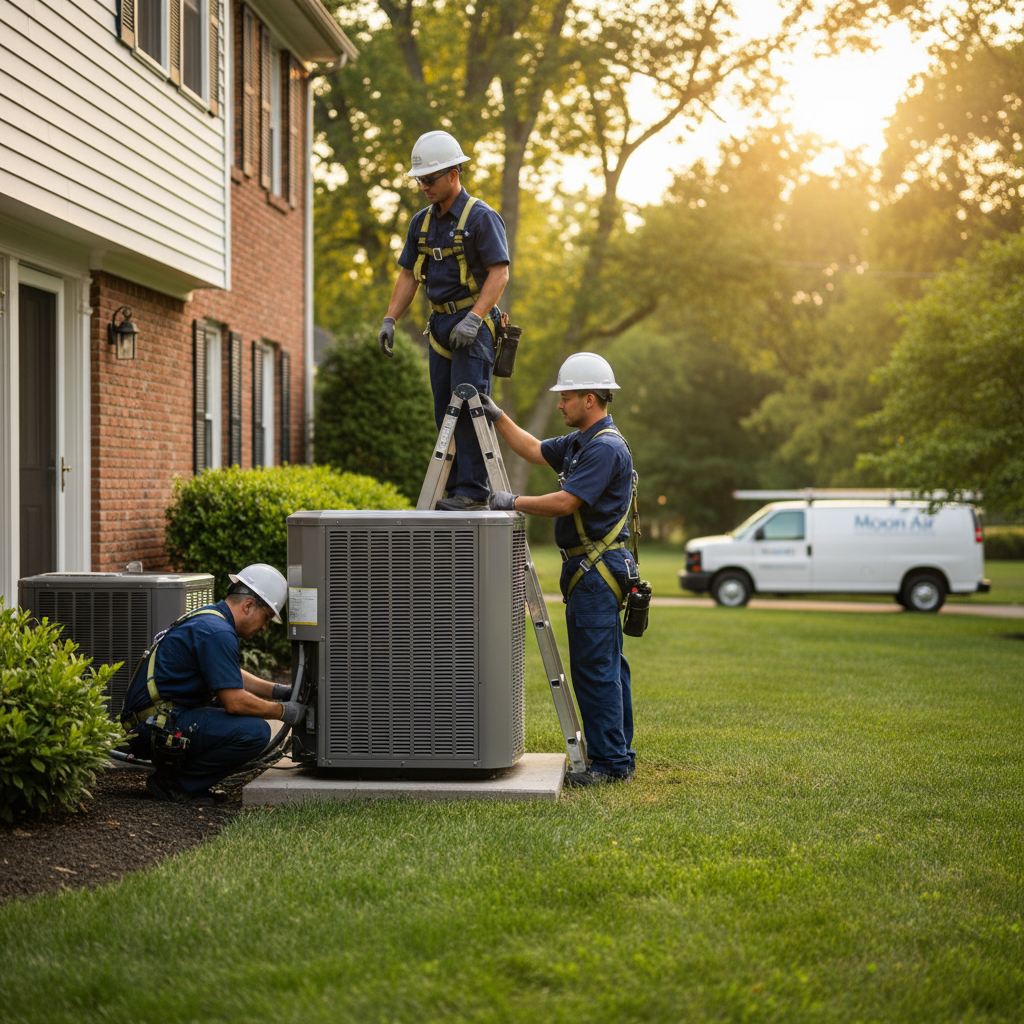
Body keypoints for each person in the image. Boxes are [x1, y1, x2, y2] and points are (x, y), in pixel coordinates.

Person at [483, 353, 637, 786]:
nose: (560, 404)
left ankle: (609, 765)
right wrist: (497, 415)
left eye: (566, 397)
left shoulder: (604, 448)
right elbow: (533, 450)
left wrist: (511, 502)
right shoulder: (581, 442)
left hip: (595, 571)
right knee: (608, 665)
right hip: (595, 571)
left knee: (596, 670)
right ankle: (619, 753)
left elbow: (566, 503)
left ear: (590, 399)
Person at [379, 130, 510, 511]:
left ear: (454, 173)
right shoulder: (421, 223)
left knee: (470, 407)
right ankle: (456, 489)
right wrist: (390, 318)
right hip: (439, 329)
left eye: (430, 178)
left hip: (474, 327)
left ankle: (471, 492)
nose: (423, 186)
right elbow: (408, 275)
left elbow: (499, 273)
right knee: (445, 413)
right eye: (420, 179)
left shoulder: (482, 218)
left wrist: (474, 318)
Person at [121, 564, 306, 807]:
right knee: (254, 732)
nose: (264, 627)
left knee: (229, 709)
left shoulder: (211, 618)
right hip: (152, 728)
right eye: (266, 618)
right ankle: (176, 784)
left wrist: (277, 691)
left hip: (149, 720)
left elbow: (227, 673)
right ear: (248, 605)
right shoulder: (218, 631)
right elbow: (235, 702)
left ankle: (176, 775)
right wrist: (285, 712)